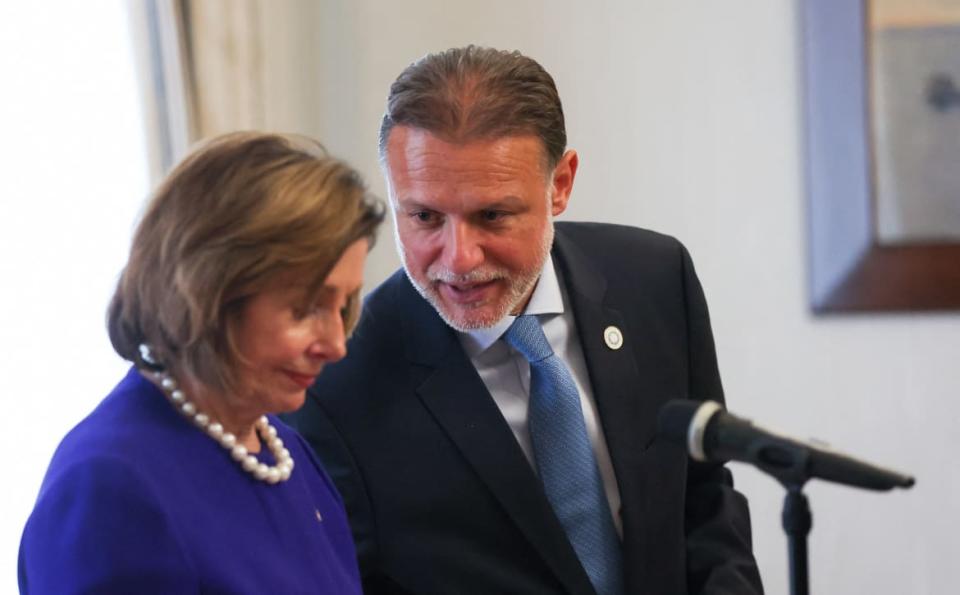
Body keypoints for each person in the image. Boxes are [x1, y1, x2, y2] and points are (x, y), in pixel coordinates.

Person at [287, 46, 764, 594]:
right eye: (424, 217)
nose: (458, 258)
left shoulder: (655, 278)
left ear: (560, 184)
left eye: (492, 215)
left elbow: (703, 495)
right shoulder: (339, 381)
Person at [18, 132, 383, 593]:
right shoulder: (109, 487)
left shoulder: (285, 452)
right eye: (307, 307)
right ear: (208, 293)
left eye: (345, 306)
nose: (336, 345)